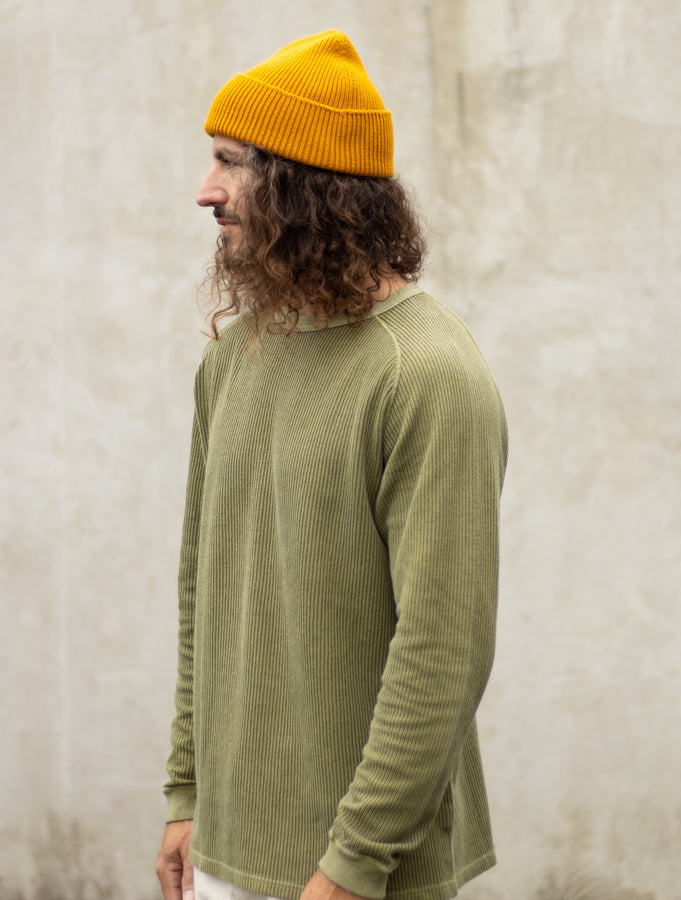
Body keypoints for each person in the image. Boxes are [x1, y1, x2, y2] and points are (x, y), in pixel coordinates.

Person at [156, 29, 508, 900]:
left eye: (230, 162)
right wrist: (187, 790)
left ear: (306, 184)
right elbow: (204, 592)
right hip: (225, 853)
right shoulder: (232, 358)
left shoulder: (425, 371)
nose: (205, 190)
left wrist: (353, 863)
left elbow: (443, 649)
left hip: (359, 872)